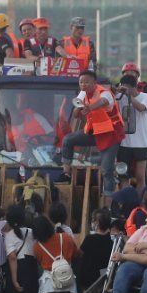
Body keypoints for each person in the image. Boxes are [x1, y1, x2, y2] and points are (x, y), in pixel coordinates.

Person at [57, 71, 126, 205]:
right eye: (81, 82)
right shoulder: (82, 94)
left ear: (94, 83)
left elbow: (104, 101)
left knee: (107, 170)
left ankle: (109, 203)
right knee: (68, 140)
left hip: (110, 135)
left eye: (86, 82)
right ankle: (66, 173)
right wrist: (78, 108)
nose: (83, 85)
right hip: (94, 133)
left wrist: (89, 107)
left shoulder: (104, 92)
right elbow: (77, 114)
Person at [31, 216, 78, 293]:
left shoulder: (37, 246)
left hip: (48, 284)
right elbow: (77, 253)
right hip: (66, 282)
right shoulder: (66, 238)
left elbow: (40, 263)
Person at [1, 204, 39, 293]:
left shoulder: (9, 236)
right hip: (31, 269)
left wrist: (14, 280)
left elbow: (12, 258)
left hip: (17, 270)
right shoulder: (32, 232)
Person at [116, 74, 147, 192]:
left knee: (140, 176)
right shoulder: (118, 97)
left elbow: (141, 108)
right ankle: (126, 201)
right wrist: (116, 91)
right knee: (123, 175)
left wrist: (129, 96)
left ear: (134, 87)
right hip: (124, 143)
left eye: (126, 87)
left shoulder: (145, 96)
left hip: (141, 143)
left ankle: (139, 202)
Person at [75, 209, 113, 293]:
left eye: (93, 220)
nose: (92, 222)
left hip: (87, 282)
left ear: (97, 223)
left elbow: (79, 254)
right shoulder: (111, 241)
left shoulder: (89, 239)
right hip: (102, 281)